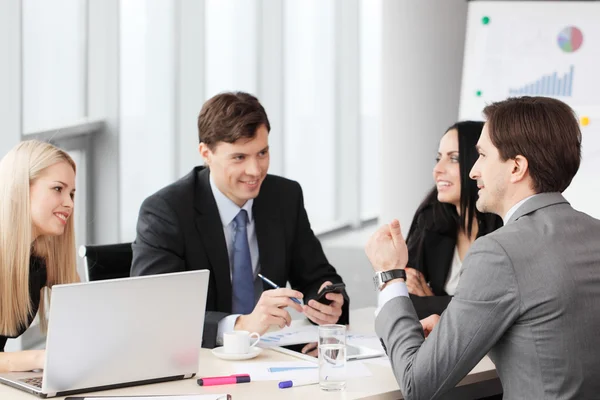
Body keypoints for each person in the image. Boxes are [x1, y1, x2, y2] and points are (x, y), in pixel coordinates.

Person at [365, 96, 600, 399]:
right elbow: (553, 337)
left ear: (516, 168)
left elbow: (417, 384)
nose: (473, 171)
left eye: (482, 156)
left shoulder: (498, 252)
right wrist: (458, 330)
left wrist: (390, 277)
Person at [131, 91, 349, 349]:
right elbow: (158, 312)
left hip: (272, 356)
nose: (255, 171)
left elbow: (317, 276)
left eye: (262, 153)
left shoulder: (284, 197)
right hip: (199, 363)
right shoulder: (166, 211)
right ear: (206, 153)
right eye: (239, 157)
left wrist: (325, 303)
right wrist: (241, 326)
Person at [405, 121, 502, 317]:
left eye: (454, 158)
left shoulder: (504, 229)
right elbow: (405, 295)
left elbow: (487, 311)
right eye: (438, 158)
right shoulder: (430, 218)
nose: (438, 169)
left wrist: (430, 301)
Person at [0, 140, 79, 372]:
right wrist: (39, 359)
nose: (69, 203)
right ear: (19, 189)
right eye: (58, 189)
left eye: (72, 193)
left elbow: (84, 324)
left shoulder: (40, 259)